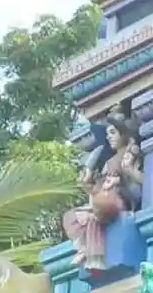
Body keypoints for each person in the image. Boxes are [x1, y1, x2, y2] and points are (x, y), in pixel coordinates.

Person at [62, 112, 144, 277]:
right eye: (107, 134)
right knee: (72, 217)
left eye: (113, 133)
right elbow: (98, 190)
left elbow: (141, 186)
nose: (109, 138)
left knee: (96, 211)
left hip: (118, 200)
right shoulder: (108, 162)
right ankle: (87, 251)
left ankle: (92, 254)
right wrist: (88, 187)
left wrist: (128, 171)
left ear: (123, 134)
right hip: (104, 201)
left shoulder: (129, 153)